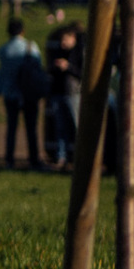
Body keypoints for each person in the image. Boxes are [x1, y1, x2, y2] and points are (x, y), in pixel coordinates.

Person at [0, 16, 45, 169]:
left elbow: (2, 72)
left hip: (10, 93)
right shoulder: (31, 47)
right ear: (23, 31)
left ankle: (9, 159)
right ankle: (34, 159)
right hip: (28, 93)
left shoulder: (3, 50)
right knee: (31, 128)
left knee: (11, 127)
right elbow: (38, 67)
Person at [46, 23, 83, 167]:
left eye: (65, 39)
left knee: (76, 125)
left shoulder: (79, 53)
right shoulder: (58, 52)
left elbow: (82, 73)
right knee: (60, 127)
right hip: (58, 92)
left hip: (72, 93)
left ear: (73, 38)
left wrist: (68, 67)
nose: (63, 43)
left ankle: (80, 156)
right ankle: (61, 157)